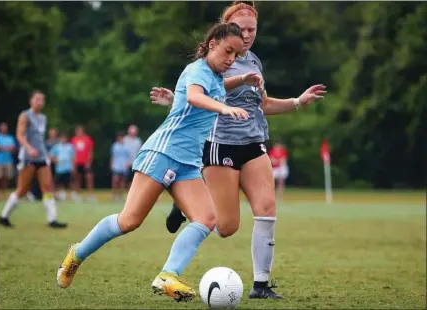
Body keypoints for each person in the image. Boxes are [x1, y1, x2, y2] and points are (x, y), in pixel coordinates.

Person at [56, 23, 261, 302]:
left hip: (187, 163)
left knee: (207, 218)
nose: (231, 59)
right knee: (129, 221)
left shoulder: (214, 78)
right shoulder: (197, 69)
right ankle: (76, 254)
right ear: (212, 44)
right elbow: (194, 96)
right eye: (228, 51)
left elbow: (214, 89)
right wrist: (224, 107)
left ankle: (168, 275)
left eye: (236, 55)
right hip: (162, 153)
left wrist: (241, 80)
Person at [150, 0, 326, 300]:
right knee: (226, 227)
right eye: (242, 29)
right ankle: (185, 205)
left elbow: (262, 103)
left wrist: (298, 101)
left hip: (254, 145)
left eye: (252, 30)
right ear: (228, 30)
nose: (247, 35)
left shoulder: (255, 61)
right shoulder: (217, 59)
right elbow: (204, 93)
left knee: (267, 210)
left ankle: (260, 285)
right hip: (220, 148)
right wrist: (175, 100)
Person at [0, 90, 68, 228]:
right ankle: (3, 216)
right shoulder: (25, 116)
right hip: (28, 158)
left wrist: (45, 154)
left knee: (48, 187)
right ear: (31, 100)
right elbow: (20, 135)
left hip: (41, 157)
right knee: (22, 190)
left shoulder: (42, 117)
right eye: (37, 99)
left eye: (42, 100)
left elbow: (39, 140)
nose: (40, 102)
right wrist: (29, 148)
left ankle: (52, 220)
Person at [70, 125, 95, 202]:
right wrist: (72, 164)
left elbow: (90, 152)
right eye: (77, 131)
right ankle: (77, 195)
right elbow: (71, 152)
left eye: (80, 130)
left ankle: (90, 195)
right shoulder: (73, 140)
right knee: (77, 179)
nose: (79, 132)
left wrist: (89, 162)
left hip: (85, 162)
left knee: (89, 178)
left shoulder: (87, 139)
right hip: (77, 163)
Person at [50, 133, 75, 201]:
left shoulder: (70, 146)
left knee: (70, 181)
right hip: (59, 168)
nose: (63, 139)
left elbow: (73, 157)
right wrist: (56, 160)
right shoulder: (56, 147)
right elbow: (51, 156)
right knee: (59, 182)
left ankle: (73, 195)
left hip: (68, 167)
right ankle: (61, 194)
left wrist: (73, 166)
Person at [0, 122, 16, 200]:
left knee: (6, 178)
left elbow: (13, 149)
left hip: (8, 160)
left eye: (5, 127)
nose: (4, 129)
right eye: (3, 127)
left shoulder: (10, 138)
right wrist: (7, 148)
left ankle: (3, 193)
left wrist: (2, 148)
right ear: (0, 129)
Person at [110, 132, 130, 201]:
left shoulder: (126, 146)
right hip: (116, 166)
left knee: (122, 181)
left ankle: (120, 196)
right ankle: (114, 195)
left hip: (123, 166)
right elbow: (113, 156)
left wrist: (127, 164)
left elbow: (128, 157)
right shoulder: (115, 146)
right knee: (115, 181)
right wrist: (111, 164)